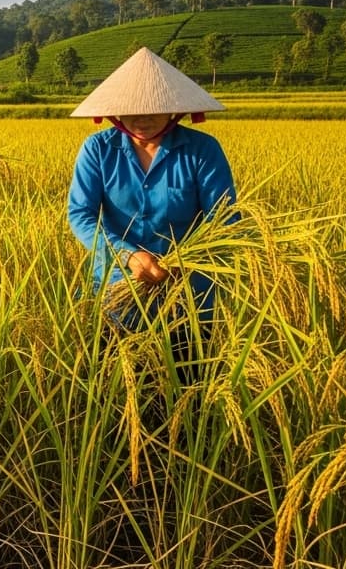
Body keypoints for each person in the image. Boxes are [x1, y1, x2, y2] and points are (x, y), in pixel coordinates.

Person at [67, 46, 235, 380]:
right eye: (132, 110)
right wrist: (128, 256)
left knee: (187, 388)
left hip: (187, 291)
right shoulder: (98, 150)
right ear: (116, 112)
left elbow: (225, 219)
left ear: (174, 109)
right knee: (117, 387)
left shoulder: (203, 150)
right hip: (117, 289)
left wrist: (182, 263)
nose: (142, 119)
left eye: (153, 109)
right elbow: (81, 215)